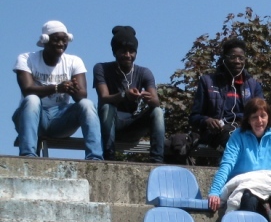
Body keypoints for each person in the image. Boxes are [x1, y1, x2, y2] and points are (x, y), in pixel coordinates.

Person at [13, 20, 102, 160]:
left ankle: (95, 157)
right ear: (45, 40)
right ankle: (28, 156)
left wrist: (73, 89)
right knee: (32, 99)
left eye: (64, 40)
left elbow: (82, 95)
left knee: (87, 104)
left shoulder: (74, 61)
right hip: (35, 117)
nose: (61, 44)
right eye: (56, 40)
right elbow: (27, 90)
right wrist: (57, 88)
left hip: (60, 120)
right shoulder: (26, 59)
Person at [93, 26, 164, 163]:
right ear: (114, 52)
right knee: (107, 107)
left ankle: (157, 161)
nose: (127, 55)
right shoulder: (101, 68)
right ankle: (109, 158)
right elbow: (103, 98)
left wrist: (148, 98)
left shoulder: (144, 72)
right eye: (123, 51)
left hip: (132, 125)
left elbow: (156, 101)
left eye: (131, 51)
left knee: (158, 112)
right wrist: (124, 95)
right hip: (110, 123)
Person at [190, 38, 263, 149]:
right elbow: (194, 117)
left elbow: (261, 114)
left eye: (241, 58)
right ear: (224, 58)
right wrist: (207, 121)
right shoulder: (207, 82)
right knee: (233, 137)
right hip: (217, 132)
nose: (237, 61)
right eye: (233, 57)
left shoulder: (253, 85)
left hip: (246, 129)